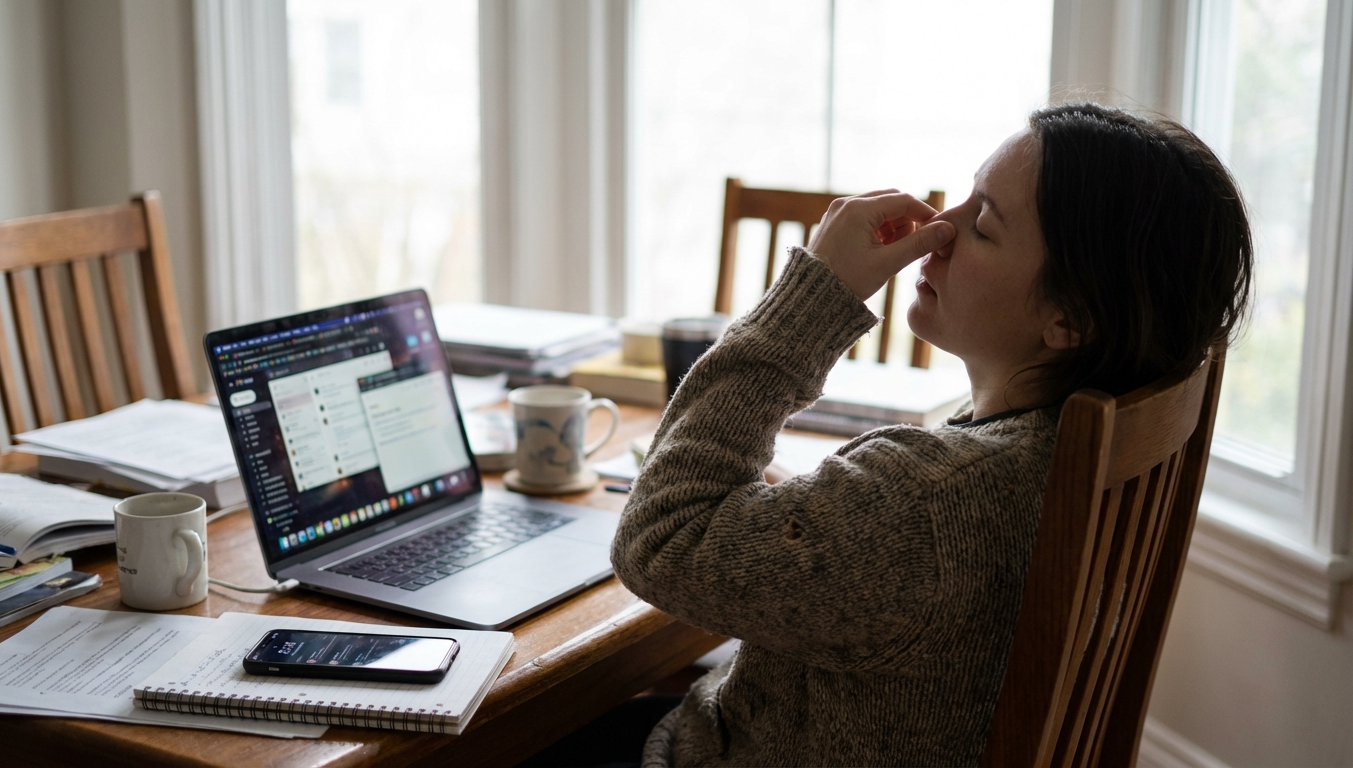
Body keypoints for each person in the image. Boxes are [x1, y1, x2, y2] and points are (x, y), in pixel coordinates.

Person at [529, 102, 1253, 767]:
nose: (938, 229)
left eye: (983, 225)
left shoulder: (930, 502)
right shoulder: (1045, 449)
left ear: (1071, 320)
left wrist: (815, 296)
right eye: (965, 197)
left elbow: (660, 537)